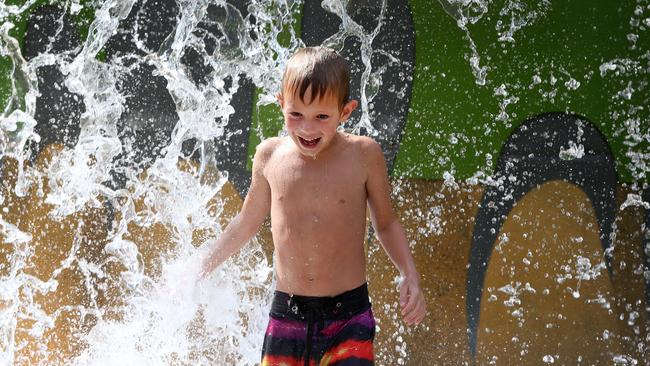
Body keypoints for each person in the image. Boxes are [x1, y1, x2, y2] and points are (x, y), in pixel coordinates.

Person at [199, 46, 426, 366]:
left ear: (345, 112)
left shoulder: (363, 155)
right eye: (296, 115)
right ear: (281, 104)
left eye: (321, 116)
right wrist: (202, 266)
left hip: (348, 316)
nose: (307, 128)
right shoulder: (269, 157)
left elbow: (385, 223)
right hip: (287, 316)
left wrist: (409, 273)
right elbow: (247, 221)